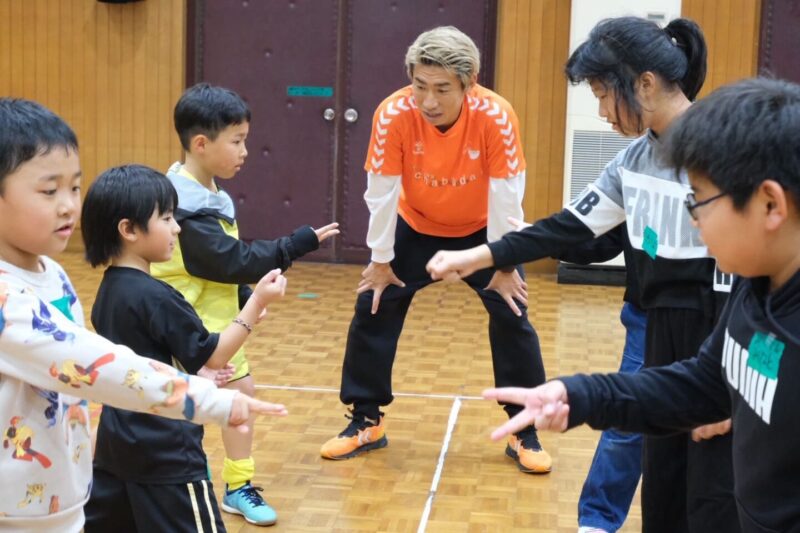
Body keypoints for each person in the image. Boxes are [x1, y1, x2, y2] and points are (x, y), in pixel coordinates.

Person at [426, 17, 740, 533]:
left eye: (602, 94)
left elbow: (745, 281)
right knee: (662, 487)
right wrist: (484, 255)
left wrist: (726, 389)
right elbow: (568, 226)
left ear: (644, 83)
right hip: (658, 330)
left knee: (712, 497)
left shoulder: (724, 151)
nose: (601, 111)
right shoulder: (634, 158)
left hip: (719, 337)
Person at [484, 76, 800, 533]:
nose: (693, 219)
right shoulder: (753, 288)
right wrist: (579, 396)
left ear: (770, 204)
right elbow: (703, 385)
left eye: (701, 201)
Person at [0, 98, 287, 532]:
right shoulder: (7, 301)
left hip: (63, 496)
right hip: (20, 513)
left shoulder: (53, 274)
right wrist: (213, 400)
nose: (68, 206)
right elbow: (95, 365)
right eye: (48, 190)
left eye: (74, 188)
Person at [319, 26, 551, 474]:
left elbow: (507, 197)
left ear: (470, 83)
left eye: (442, 89)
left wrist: (503, 265)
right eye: (420, 85)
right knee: (374, 303)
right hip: (417, 224)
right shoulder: (393, 114)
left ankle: (524, 429)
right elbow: (380, 192)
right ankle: (366, 420)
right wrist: (380, 260)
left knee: (512, 312)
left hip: (483, 230)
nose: (428, 100)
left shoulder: (496, 116)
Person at [150, 82, 338, 526]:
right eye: (236, 141)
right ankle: (180, 485)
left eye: (246, 140)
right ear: (201, 143)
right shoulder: (183, 205)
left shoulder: (210, 193)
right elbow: (229, 259)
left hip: (221, 328)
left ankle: (237, 486)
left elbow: (221, 268)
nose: (245, 151)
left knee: (241, 400)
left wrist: (243, 297)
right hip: (184, 331)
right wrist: (294, 245)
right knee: (183, 414)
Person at [80, 165, 288, 531]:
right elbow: (216, 354)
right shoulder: (157, 297)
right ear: (129, 230)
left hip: (117, 444)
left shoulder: (109, 291)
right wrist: (256, 303)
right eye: (166, 218)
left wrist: (195, 373)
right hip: (168, 451)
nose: (177, 228)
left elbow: (143, 362)